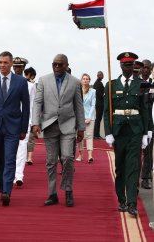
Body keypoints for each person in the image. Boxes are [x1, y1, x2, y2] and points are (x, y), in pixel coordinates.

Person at [31, 54, 85, 207]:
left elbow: (78, 106)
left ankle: (68, 189)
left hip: (68, 125)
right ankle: (52, 193)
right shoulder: (43, 80)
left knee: (68, 157)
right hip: (49, 125)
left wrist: (81, 128)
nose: (57, 67)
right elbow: (38, 102)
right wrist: (35, 123)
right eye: (54, 64)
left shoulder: (74, 82)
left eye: (60, 64)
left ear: (67, 65)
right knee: (51, 161)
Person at [0, 51, 30, 206]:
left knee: (9, 159)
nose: (2, 65)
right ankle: (2, 188)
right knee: (0, 161)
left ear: (11, 64)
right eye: (0, 62)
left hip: (13, 128)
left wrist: (23, 128)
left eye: (5, 63)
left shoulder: (21, 82)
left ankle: (7, 191)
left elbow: (26, 107)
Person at [104, 52, 149, 216]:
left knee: (133, 167)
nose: (128, 67)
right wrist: (108, 132)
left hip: (135, 131)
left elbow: (145, 110)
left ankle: (132, 203)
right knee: (121, 168)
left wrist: (146, 133)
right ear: (121, 66)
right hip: (118, 131)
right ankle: (121, 199)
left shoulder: (142, 84)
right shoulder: (111, 85)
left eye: (131, 64)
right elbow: (106, 110)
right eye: (125, 65)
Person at [12, 57, 36, 186]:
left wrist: (32, 122)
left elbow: (32, 105)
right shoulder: (7, 82)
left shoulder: (31, 86)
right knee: (11, 149)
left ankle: (19, 175)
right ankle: (11, 173)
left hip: (24, 120)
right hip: (10, 120)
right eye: (15, 67)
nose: (17, 69)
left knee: (22, 148)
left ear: (23, 68)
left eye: (20, 67)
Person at [76, 73, 96, 163]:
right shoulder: (77, 90)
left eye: (87, 79)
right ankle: (80, 154)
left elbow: (93, 105)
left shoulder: (93, 91)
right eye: (83, 78)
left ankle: (90, 155)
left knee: (89, 136)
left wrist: (89, 117)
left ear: (89, 80)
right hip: (79, 117)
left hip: (90, 117)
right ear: (81, 80)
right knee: (80, 136)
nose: (85, 80)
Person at [140, 59, 153, 189]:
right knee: (135, 152)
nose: (146, 70)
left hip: (149, 122)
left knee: (148, 152)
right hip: (137, 123)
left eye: (148, 68)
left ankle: (145, 178)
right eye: (144, 67)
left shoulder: (152, 84)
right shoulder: (136, 83)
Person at [93, 71, 105, 139]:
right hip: (99, 104)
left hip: (99, 103)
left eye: (102, 75)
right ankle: (96, 135)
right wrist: (105, 95)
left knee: (98, 119)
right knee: (98, 119)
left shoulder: (99, 83)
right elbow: (99, 94)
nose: (102, 76)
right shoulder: (97, 83)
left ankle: (97, 134)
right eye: (101, 75)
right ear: (98, 76)